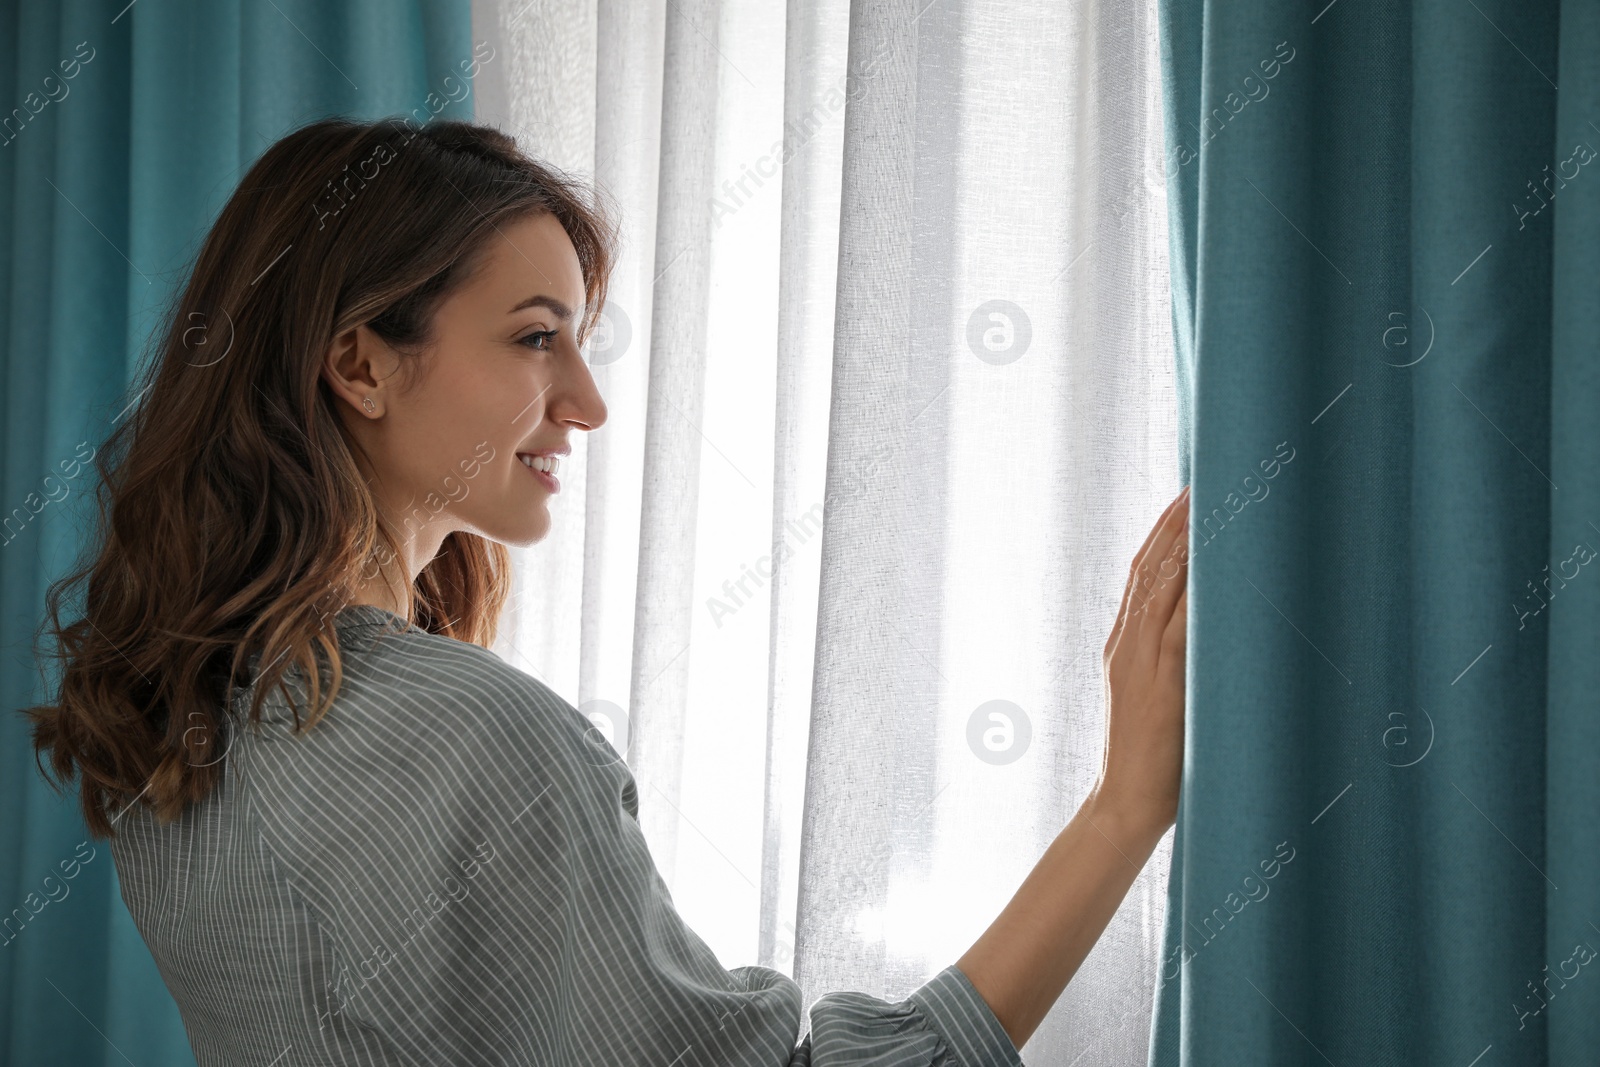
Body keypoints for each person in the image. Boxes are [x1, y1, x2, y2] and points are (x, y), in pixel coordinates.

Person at [23, 116, 1190, 1066]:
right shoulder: (470, 735)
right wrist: (1123, 806)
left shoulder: (192, 716)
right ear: (361, 363)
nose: (586, 399)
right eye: (537, 338)